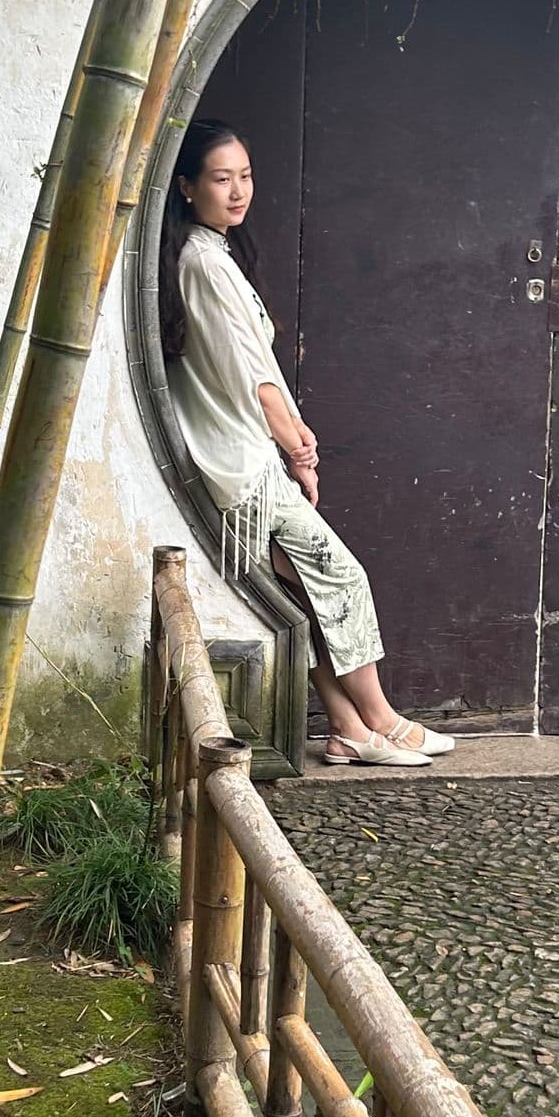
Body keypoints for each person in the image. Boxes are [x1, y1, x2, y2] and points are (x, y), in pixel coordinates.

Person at [159, 118, 454, 767]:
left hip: (245, 459)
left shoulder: (211, 256)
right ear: (185, 187)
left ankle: (348, 727)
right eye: (219, 178)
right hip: (242, 468)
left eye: (245, 176)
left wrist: (295, 440)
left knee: (300, 597)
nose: (237, 191)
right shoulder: (204, 265)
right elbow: (252, 378)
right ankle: (381, 718)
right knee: (339, 576)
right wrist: (296, 451)